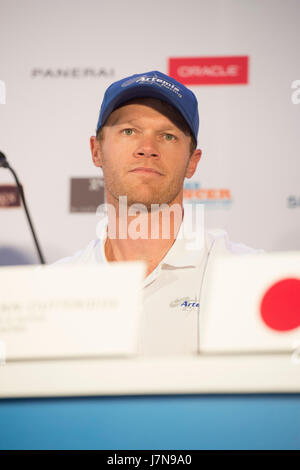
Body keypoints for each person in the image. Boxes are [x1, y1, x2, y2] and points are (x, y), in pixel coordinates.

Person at [56, 71, 259, 355]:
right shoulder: (56, 288)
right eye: (129, 131)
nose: (147, 149)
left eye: (167, 136)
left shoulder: (249, 276)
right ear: (96, 150)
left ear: (192, 161)